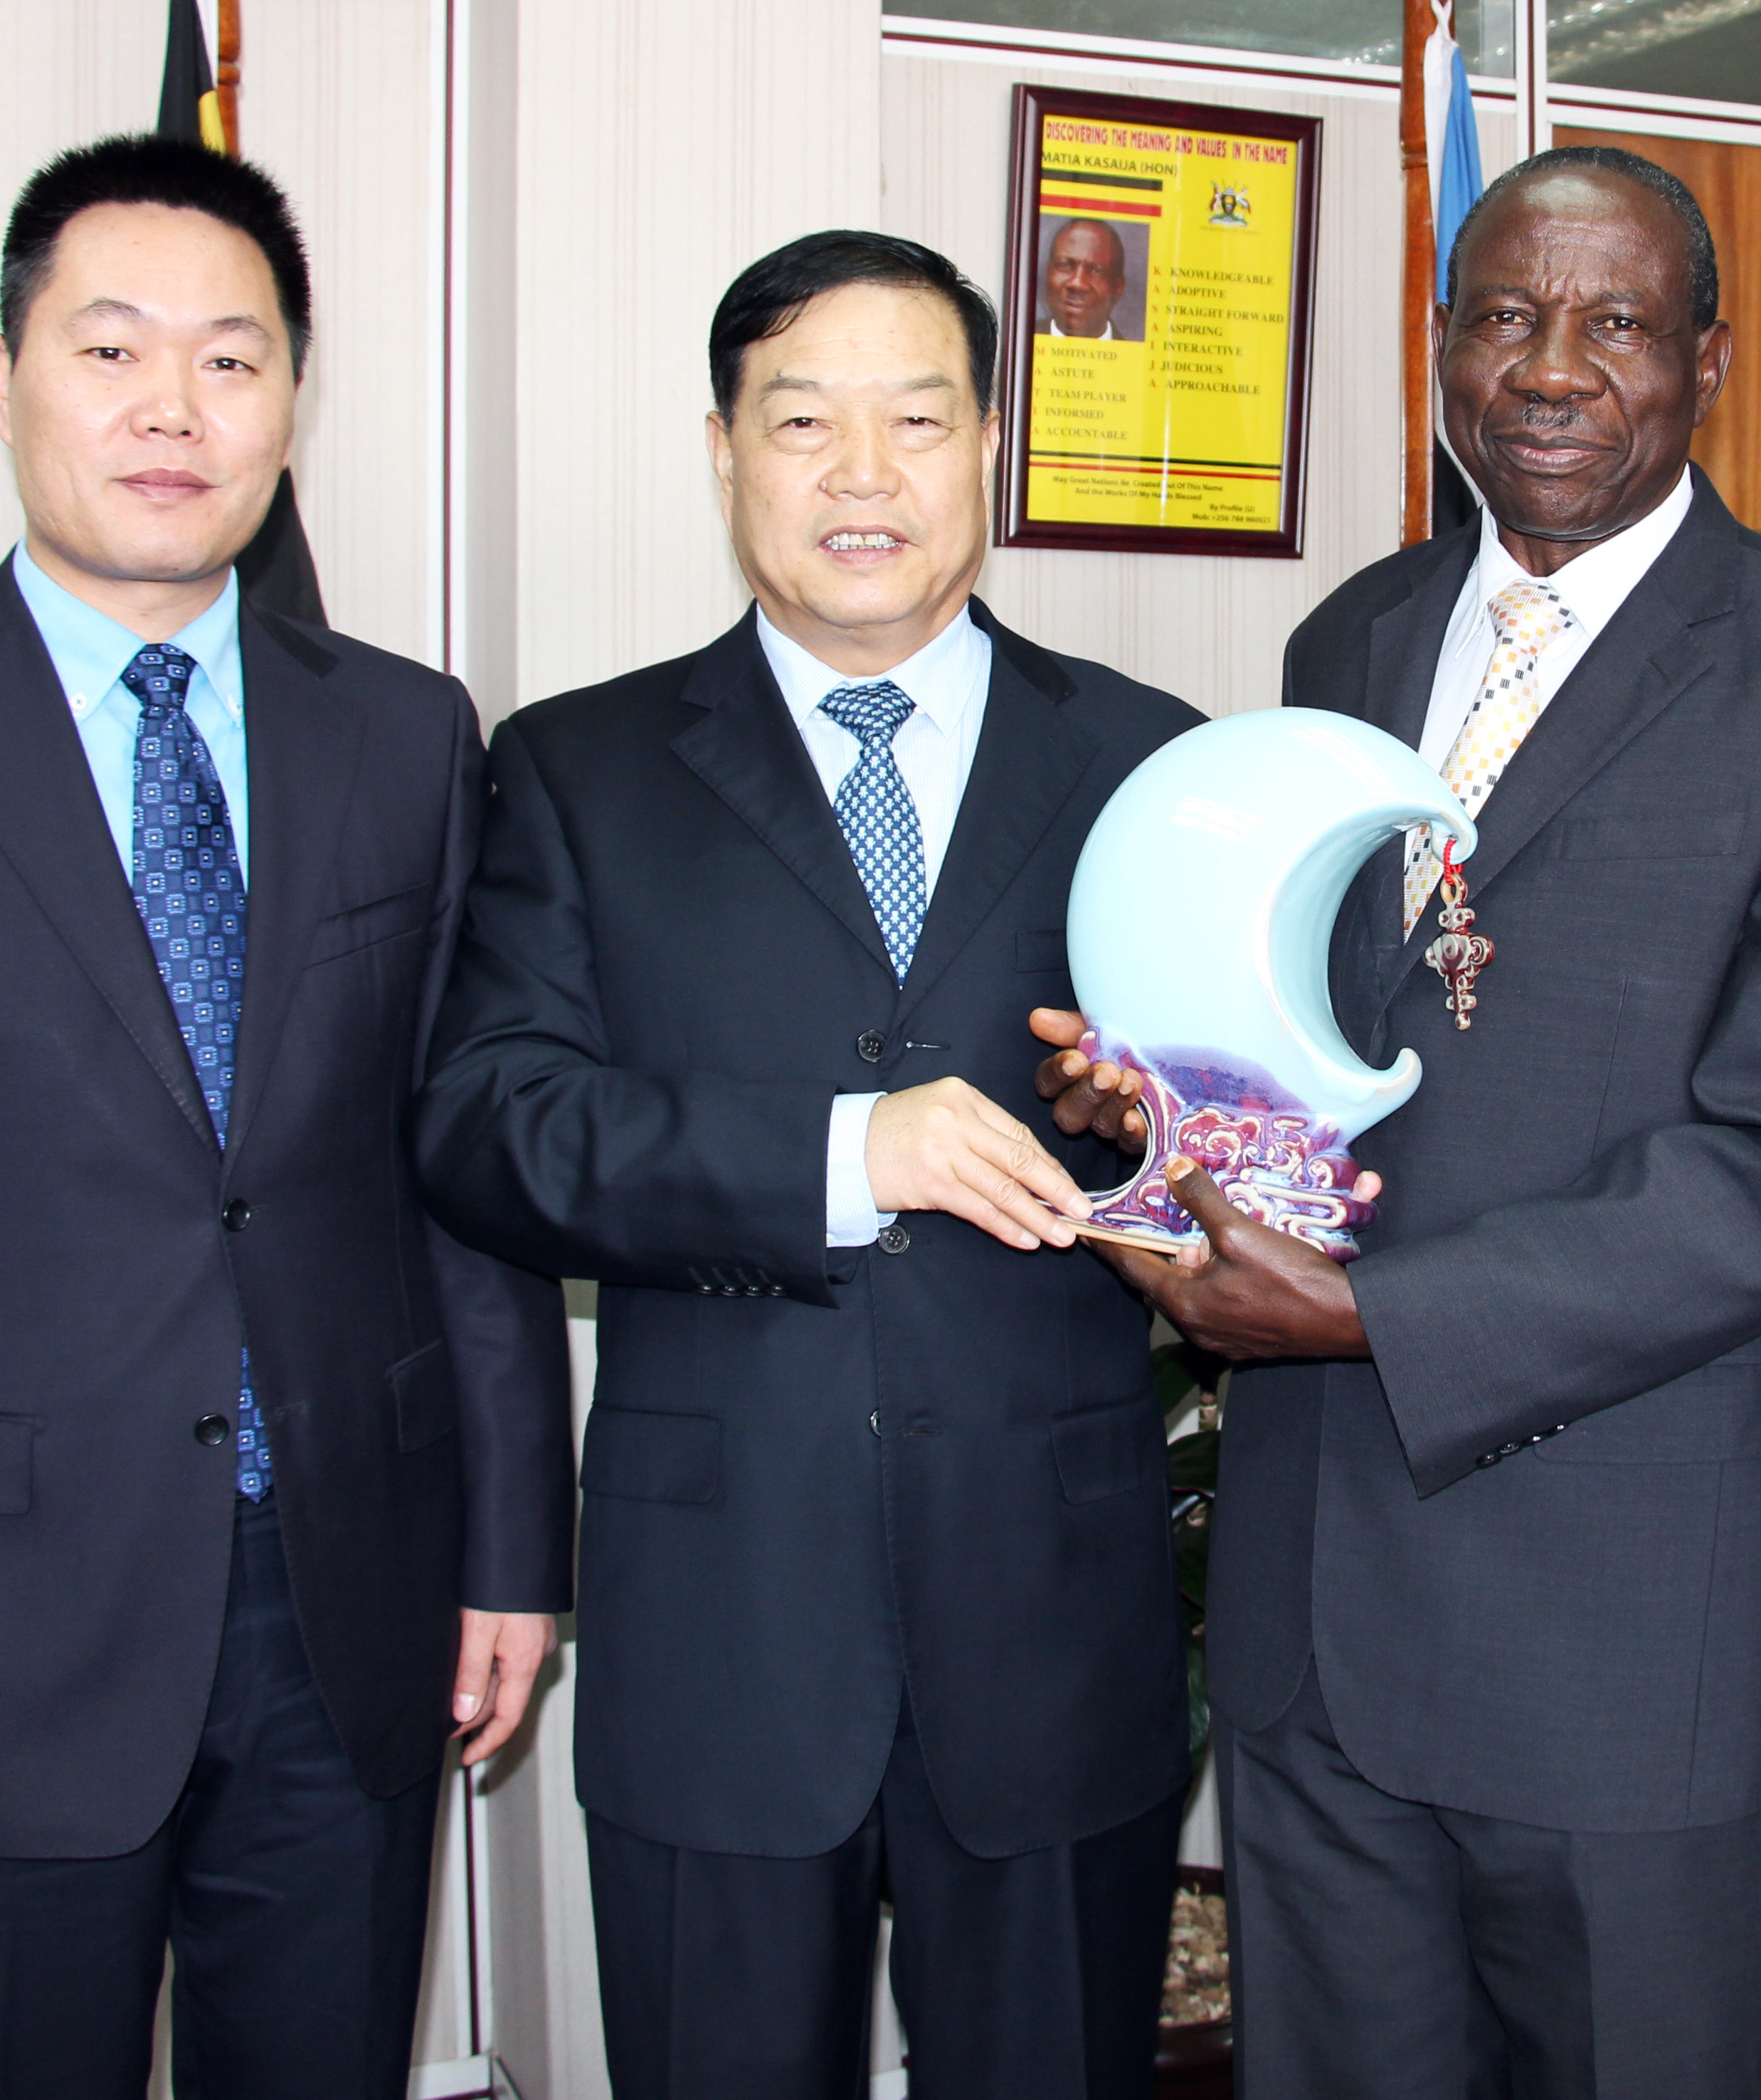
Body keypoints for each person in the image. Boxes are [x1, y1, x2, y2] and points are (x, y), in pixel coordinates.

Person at [1040, 146, 1761, 2098]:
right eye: (1502, 317)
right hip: (1316, 1603)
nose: (1549, 367)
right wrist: (1166, 1109)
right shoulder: (1350, 642)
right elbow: (1324, 1042)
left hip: (1621, 1631)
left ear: (1706, 361)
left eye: (1614, 323)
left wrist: (1373, 1317)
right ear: (1441, 347)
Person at [0, 134, 573, 2100]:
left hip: (350, 1600)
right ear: (4, 374)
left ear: (290, 399)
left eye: (229, 358)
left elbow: (452, 1181)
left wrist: (510, 1550)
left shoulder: (403, 733)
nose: (170, 409)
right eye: (110, 349)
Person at [411, 230, 1197, 2100]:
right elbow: (490, 1125)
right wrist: (851, 1151)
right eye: (802, 422)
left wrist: (1163, 1149)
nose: (864, 475)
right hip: (723, 1632)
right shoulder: (580, 768)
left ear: (985, 448)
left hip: (1054, 1617)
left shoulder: (1148, 763)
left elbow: (1237, 1156)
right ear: (723, 452)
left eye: (916, 422)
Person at [1045, 216, 1135, 341]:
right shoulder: (1022, 337)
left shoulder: (1138, 353)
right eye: (1065, 265)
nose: (1077, 284)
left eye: (1096, 271)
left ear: (1118, 288)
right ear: (1048, 272)